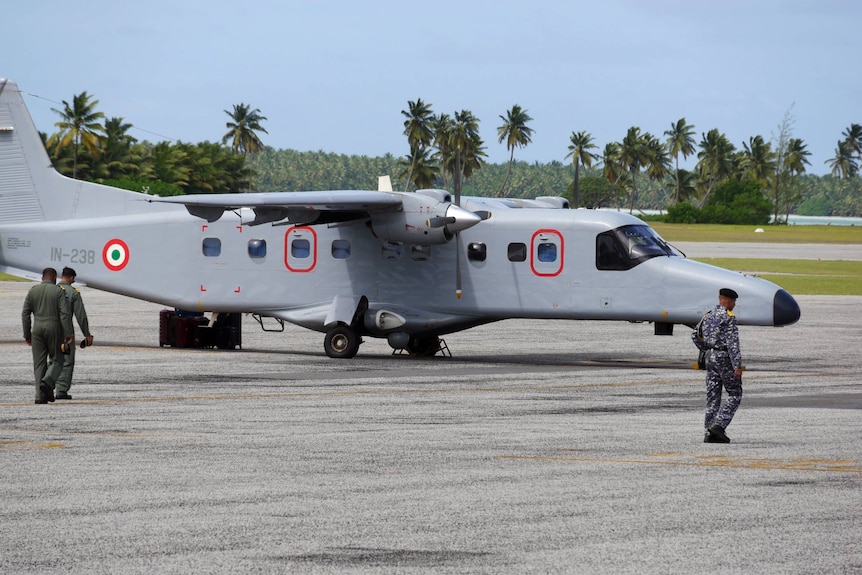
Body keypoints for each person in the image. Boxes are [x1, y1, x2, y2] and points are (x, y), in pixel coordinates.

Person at [692, 288, 743, 443]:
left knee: (713, 397)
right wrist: (737, 366)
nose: (734, 304)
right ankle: (719, 426)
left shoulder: (708, 315)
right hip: (724, 358)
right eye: (733, 301)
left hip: (710, 357)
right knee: (735, 393)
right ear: (727, 300)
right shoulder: (729, 318)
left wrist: (707, 350)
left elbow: (695, 335)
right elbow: (732, 344)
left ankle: (709, 433)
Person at [22, 267, 74, 404]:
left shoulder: (33, 291)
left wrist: (27, 334)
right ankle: (48, 382)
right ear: (54, 278)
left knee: (39, 364)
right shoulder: (58, 291)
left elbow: (25, 314)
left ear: (42, 278)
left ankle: (40, 396)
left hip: (37, 329)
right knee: (58, 359)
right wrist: (68, 333)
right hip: (54, 327)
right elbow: (64, 313)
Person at [56, 267, 94, 400]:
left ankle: (47, 387)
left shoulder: (52, 290)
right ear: (71, 278)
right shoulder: (73, 292)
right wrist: (87, 334)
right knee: (67, 360)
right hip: (66, 331)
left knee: (52, 360)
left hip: (49, 330)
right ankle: (61, 390)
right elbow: (80, 316)